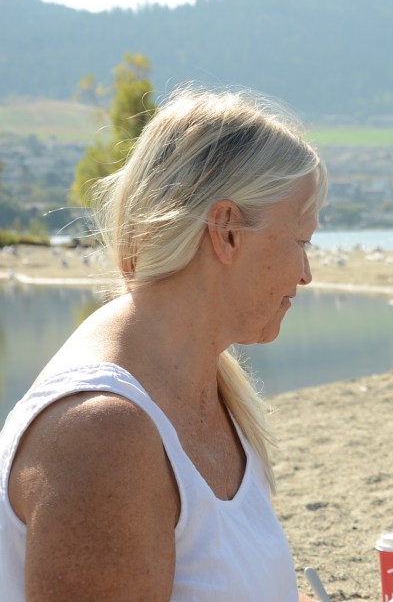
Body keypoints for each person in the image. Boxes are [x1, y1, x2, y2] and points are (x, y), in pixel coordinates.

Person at [0, 86, 328, 600]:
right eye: (302, 241)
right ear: (227, 231)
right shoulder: (104, 435)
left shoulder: (207, 383)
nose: (307, 273)